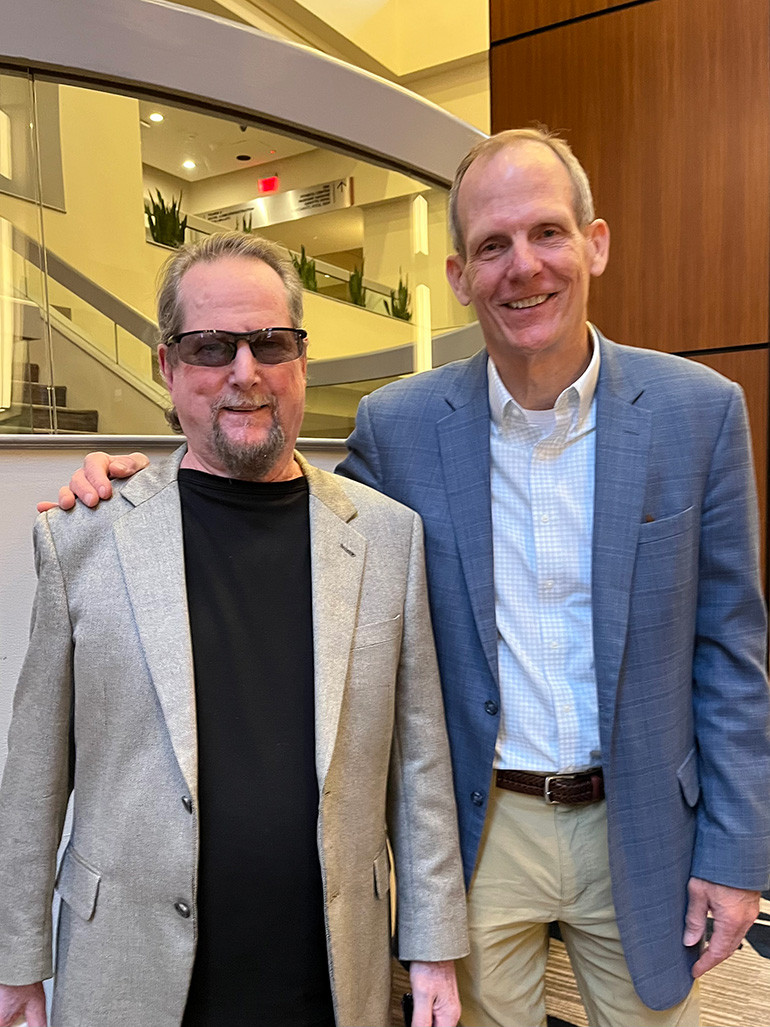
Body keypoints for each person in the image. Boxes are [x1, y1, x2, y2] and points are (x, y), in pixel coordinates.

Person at [48, 129, 770, 1027]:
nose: (524, 266)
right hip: (481, 835)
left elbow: (730, 650)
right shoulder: (401, 426)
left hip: (646, 820)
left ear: (596, 243)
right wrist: (145, 490)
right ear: (460, 275)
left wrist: (738, 850)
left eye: (547, 232)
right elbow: (301, 516)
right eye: (492, 245)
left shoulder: (699, 413)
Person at [0, 232, 468, 1027]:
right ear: (168, 366)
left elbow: (420, 766)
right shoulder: (82, 537)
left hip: (327, 980)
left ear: (302, 359)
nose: (245, 372)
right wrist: (16, 964)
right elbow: (34, 777)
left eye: (269, 343)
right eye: (211, 347)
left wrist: (432, 949)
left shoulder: (389, 539)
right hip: (133, 976)